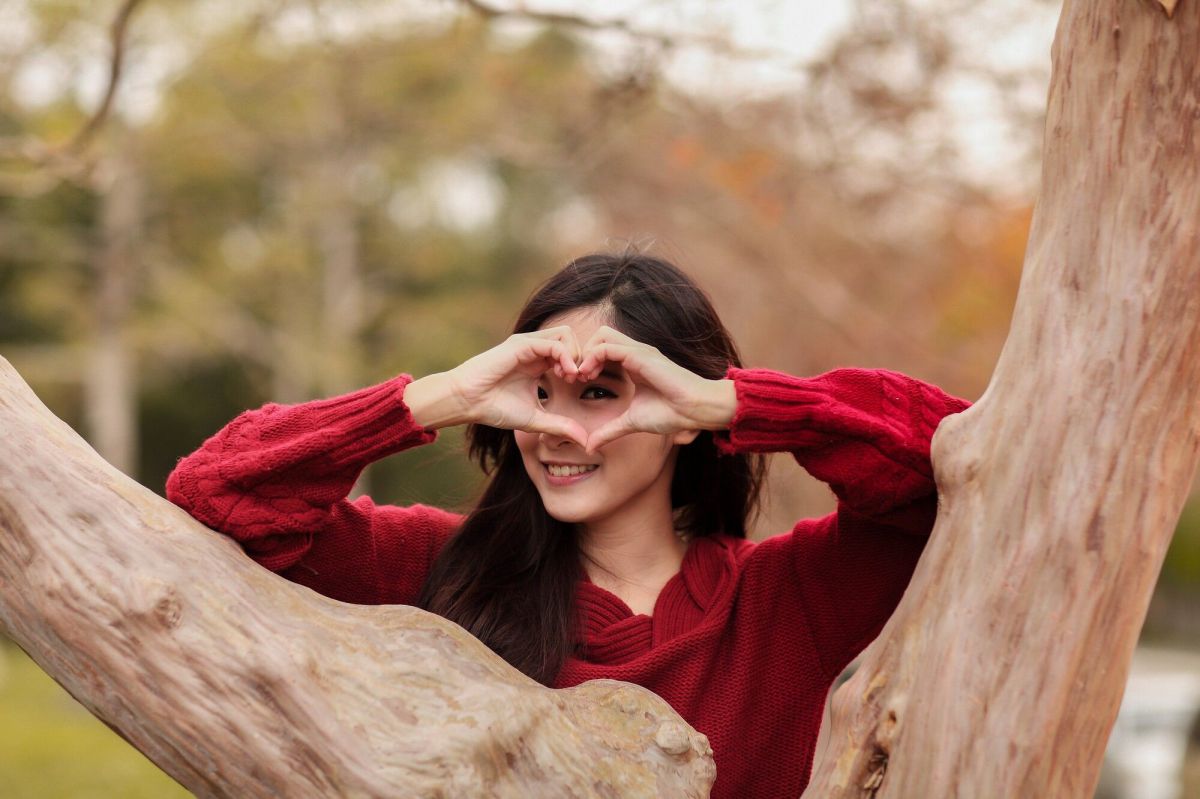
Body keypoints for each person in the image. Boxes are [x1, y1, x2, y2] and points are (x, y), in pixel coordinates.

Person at [166, 250, 970, 798]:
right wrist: (442, 395)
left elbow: (955, 458)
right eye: (540, 392)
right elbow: (218, 490)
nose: (558, 429)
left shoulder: (794, 595)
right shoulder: (431, 569)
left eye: (601, 392)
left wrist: (729, 402)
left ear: (679, 410)